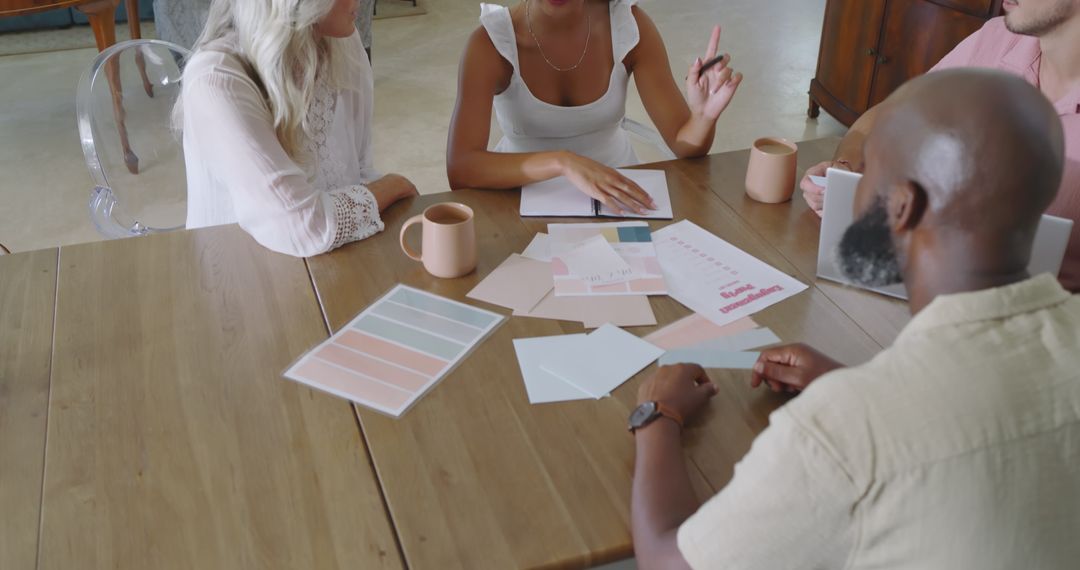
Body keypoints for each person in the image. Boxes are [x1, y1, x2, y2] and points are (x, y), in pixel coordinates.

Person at [630, 69, 1080, 569]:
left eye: (865, 171)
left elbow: (667, 562)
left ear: (902, 207)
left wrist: (656, 415)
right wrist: (852, 382)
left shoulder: (843, 432)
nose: (855, 184)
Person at [800, 0, 1080, 291]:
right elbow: (890, 115)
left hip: (1043, 311)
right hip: (917, 282)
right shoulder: (997, 38)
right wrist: (845, 171)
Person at [446, 0, 742, 215]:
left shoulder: (628, 25)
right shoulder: (490, 43)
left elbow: (685, 145)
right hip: (521, 198)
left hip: (620, 197)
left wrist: (702, 117)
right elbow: (461, 168)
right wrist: (562, 162)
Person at [177, 0, 417, 257]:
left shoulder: (341, 41)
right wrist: (394, 185)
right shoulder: (215, 81)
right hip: (244, 266)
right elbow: (302, 225)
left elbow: (359, 169)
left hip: (334, 256)